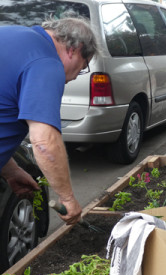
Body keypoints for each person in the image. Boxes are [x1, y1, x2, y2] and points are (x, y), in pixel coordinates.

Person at [0, 17, 98, 225]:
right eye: (82, 67)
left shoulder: (13, 36)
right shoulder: (46, 63)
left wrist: (11, 170)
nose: (74, 77)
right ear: (75, 49)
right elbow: (44, 142)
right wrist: (68, 199)